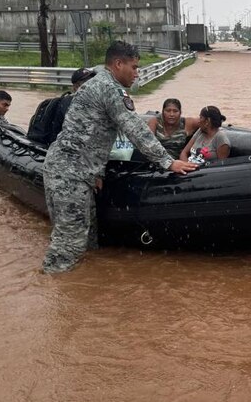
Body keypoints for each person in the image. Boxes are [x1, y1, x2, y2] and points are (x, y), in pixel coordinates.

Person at [42, 41, 198, 274]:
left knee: (88, 240)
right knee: (68, 248)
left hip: (77, 172)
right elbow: (135, 128)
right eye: (134, 67)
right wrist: (168, 161)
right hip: (69, 174)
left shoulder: (96, 84)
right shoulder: (110, 88)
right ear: (118, 64)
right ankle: (54, 296)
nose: (137, 73)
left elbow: (88, 132)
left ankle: (80, 295)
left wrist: (97, 172)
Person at [27, 67, 96, 146]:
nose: (93, 86)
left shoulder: (94, 103)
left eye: (94, 82)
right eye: (88, 83)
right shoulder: (69, 104)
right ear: (76, 87)